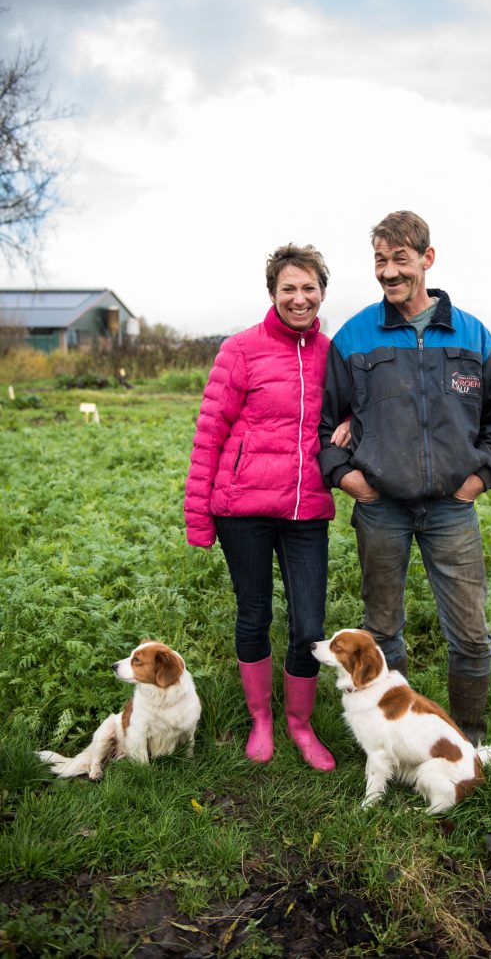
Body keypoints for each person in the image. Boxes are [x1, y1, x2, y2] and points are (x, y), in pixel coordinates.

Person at [318, 210, 491, 747]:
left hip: (453, 508)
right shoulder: (355, 336)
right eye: (380, 260)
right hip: (380, 506)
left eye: (400, 259)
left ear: (427, 259)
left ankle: (468, 739)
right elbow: (321, 426)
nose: (388, 271)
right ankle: (393, 738)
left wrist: (476, 482)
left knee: (471, 636)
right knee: (382, 632)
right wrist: (349, 479)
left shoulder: (473, 336)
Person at [184, 243, 341, 771]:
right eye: (288, 289)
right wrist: (198, 514)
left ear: (322, 291)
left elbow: (348, 416)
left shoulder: (331, 355)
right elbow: (210, 433)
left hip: (305, 508)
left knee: (308, 625)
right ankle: (262, 719)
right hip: (242, 507)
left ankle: (300, 722)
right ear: (273, 293)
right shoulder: (239, 350)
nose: (300, 299)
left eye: (309, 288)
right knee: (253, 613)